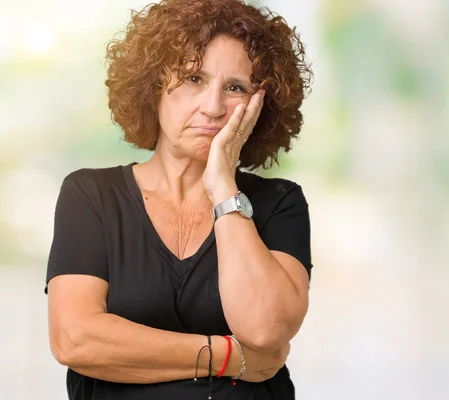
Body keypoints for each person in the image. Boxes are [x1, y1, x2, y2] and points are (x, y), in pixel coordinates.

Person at [44, 0, 313, 399]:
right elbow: (75, 340)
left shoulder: (279, 203)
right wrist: (227, 357)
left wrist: (222, 185)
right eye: (193, 79)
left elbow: (263, 330)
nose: (213, 107)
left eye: (235, 88)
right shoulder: (91, 196)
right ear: (153, 84)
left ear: (258, 106)